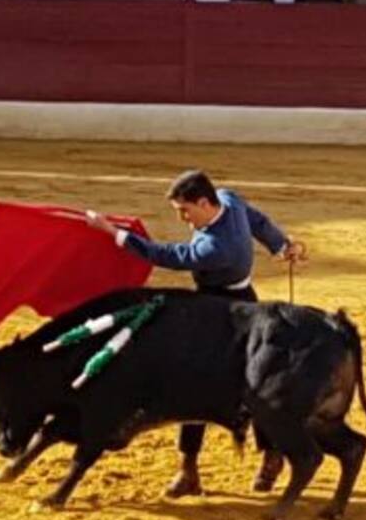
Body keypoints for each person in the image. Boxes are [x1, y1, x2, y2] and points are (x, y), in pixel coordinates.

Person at [85, 170, 307, 497]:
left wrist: (114, 233)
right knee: (199, 384)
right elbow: (257, 220)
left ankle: (270, 455)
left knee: (245, 383)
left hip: (228, 312)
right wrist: (281, 244)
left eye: (185, 211)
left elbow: (169, 256)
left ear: (204, 202)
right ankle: (189, 469)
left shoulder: (217, 248)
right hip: (229, 303)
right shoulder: (229, 199)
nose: (184, 220)